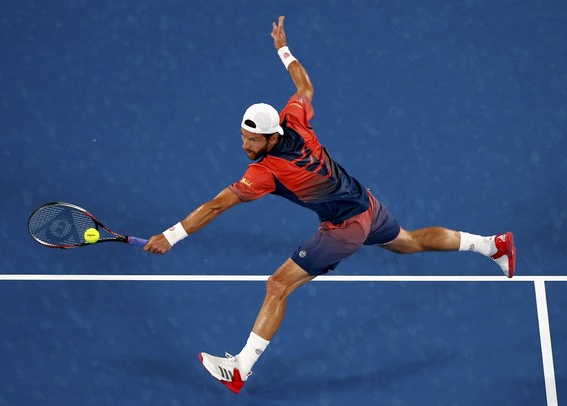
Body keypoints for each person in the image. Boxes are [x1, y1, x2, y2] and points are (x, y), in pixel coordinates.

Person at [144, 16, 516, 394]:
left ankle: (241, 367)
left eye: (252, 141)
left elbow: (214, 206)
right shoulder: (295, 119)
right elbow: (305, 85)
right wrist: (283, 49)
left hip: (344, 229)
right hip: (365, 203)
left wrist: (171, 236)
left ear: (271, 138)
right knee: (411, 241)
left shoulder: (266, 172)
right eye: (243, 137)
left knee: (277, 286)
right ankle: (492, 245)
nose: (245, 147)